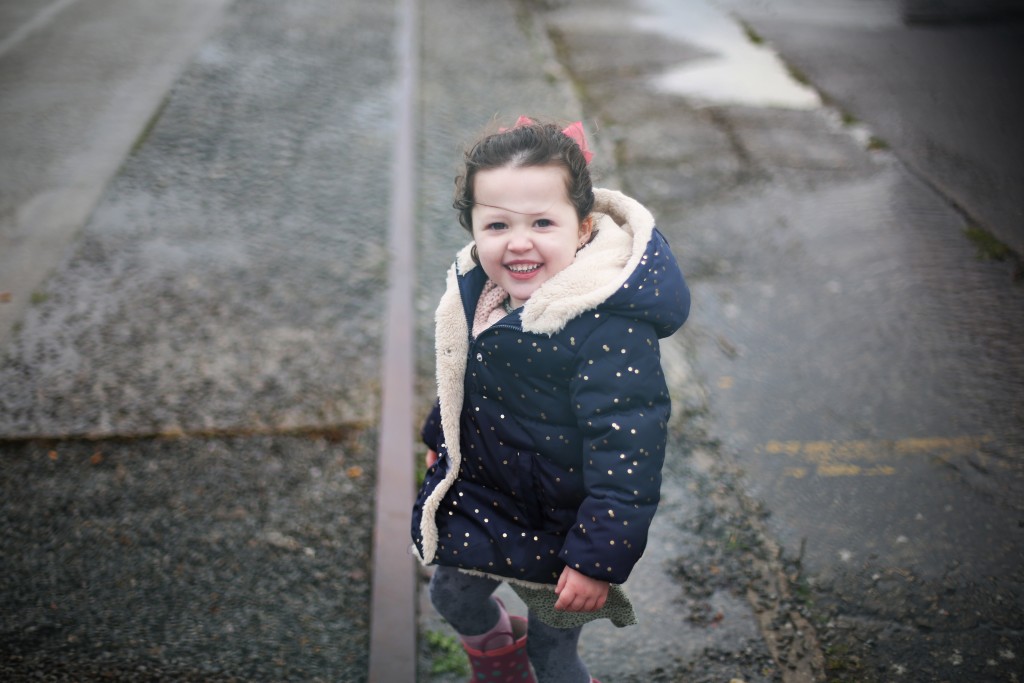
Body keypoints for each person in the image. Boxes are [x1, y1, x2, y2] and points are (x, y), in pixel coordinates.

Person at [411, 116, 690, 683]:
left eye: (543, 221)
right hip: (486, 500)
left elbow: (628, 453)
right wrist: (439, 442)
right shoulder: (480, 293)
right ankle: (497, 665)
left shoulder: (608, 328)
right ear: (473, 228)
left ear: (582, 227)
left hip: (564, 531)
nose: (519, 242)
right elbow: (457, 379)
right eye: (497, 225)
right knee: (452, 599)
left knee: (553, 653)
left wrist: (596, 559)